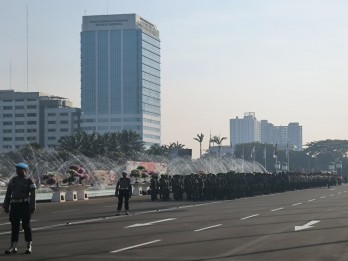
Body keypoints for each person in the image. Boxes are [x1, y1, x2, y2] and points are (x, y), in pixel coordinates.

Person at [2, 163, 36, 254]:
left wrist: (32, 206)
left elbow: (33, 195)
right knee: (14, 226)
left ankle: (29, 245)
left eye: (19, 169)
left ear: (25, 170)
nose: (17, 171)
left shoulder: (29, 181)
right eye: (17, 169)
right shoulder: (13, 180)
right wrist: (6, 205)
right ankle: (13, 246)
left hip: (24, 205)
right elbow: (8, 193)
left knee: (26, 225)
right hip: (14, 206)